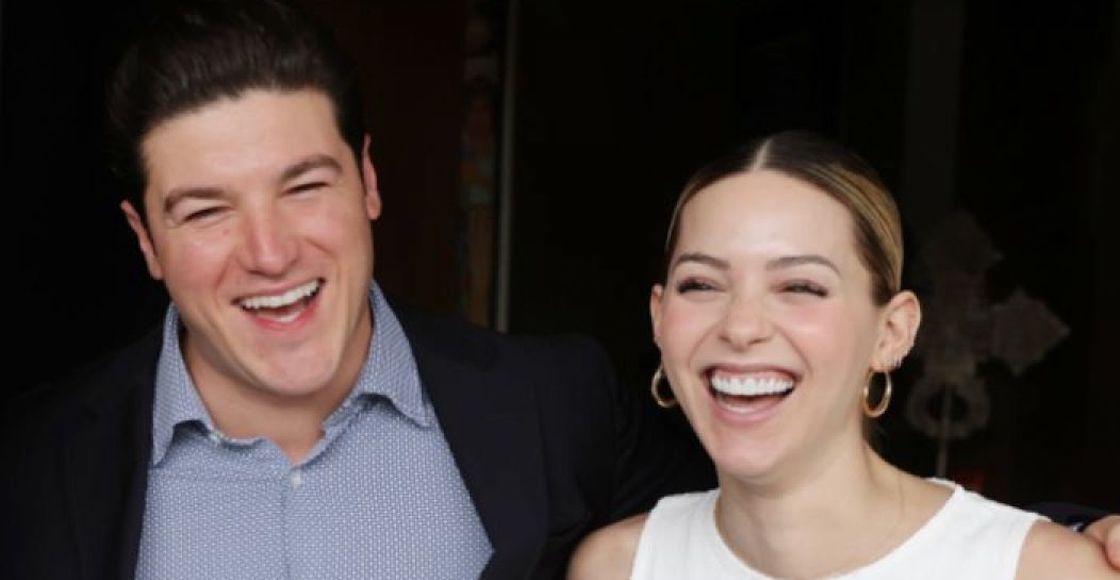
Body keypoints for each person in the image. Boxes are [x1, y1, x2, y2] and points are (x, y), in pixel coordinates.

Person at [0, 1, 706, 579]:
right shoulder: (29, 468)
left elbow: (743, 541)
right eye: (208, 211)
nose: (270, 254)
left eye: (304, 187)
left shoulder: (561, 405)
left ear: (367, 180)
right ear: (147, 239)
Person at [569, 131, 1120, 579]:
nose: (740, 326)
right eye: (701, 284)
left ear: (892, 332)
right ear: (659, 318)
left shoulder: (1043, 570)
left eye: (801, 286)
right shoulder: (617, 568)